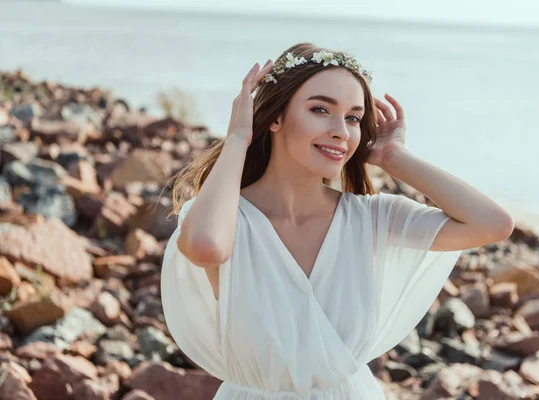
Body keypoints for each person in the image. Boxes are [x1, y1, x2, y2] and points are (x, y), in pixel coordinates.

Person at [160, 42, 514, 399]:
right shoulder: (224, 219)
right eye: (320, 109)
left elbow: (493, 224)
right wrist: (238, 137)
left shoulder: (371, 218)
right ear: (275, 118)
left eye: (353, 118)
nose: (342, 132)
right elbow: (205, 246)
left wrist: (394, 157)